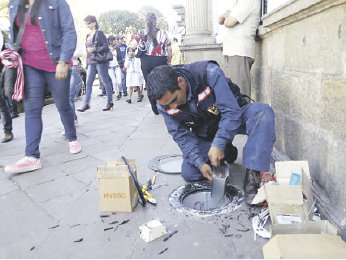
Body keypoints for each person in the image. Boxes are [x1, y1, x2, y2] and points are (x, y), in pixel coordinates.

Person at [146, 61, 276, 203]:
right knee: (190, 173)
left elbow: (231, 112)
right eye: (168, 104)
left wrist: (219, 143)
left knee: (263, 113)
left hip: (235, 116)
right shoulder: (164, 104)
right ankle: (226, 151)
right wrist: (199, 162)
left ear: (180, 81)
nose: (174, 106)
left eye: (174, 99)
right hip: (207, 131)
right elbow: (181, 135)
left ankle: (254, 174)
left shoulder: (210, 73)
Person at [5, 0, 82, 174]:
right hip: (30, 64)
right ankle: (32, 156)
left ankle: (72, 136)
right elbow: (15, 33)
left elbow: (69, 31)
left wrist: (64, 60)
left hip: (56, 62)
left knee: (62, 104)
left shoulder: (56, 3)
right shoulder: (15, 4)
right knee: (31, 109)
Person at [130, 12, 172, 115]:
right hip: (161, 60)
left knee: (150, 84)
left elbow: (133, 46)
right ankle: (165, 105)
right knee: (162, 83)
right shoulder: (163, 33)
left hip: (146, 61)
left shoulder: (141, 33)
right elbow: (169, 49)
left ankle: (154, 108)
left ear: (146, 21)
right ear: (155, 21)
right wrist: (169, 61)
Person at [218, 0, 260, 99]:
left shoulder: (248, 2)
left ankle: (244, 114)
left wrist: (226, 16)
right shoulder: (237, 4)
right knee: (232, 92)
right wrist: (225, 15)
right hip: (233, 51)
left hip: (240, 51)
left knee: (240, 93)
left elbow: (229, 22)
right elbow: (220, 20)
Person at [77, 15, 114, 112]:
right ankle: (86, 104)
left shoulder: (99, 33)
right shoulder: (88, 35)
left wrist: (94, 49)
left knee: (105, 82)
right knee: (88, 83)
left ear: (94, 23)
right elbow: (87, 51)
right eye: (86, 24)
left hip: (99, 61)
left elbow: (106, 47)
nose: (87, 25)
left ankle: (110, 102)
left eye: (88, 23)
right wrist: (86, 63)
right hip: (91, 62)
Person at [69, 36, 83, 126]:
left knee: (69, 97)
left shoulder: (75, 37)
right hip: (59, 68)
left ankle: (72, 121)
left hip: (72, 66)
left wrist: (66, 53)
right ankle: (73, 119)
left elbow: (80, 53)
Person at [107, 35, 123, 101]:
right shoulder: (106, 49)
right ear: (110, 41)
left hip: (117, 66)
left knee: (119, 81)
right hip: (110, 67)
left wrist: (122, 66)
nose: (115, 41)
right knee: (114, 82)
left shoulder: (117, 48)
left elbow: (120, 58)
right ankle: (117, 95)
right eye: (114, 40)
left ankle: (120, 91)